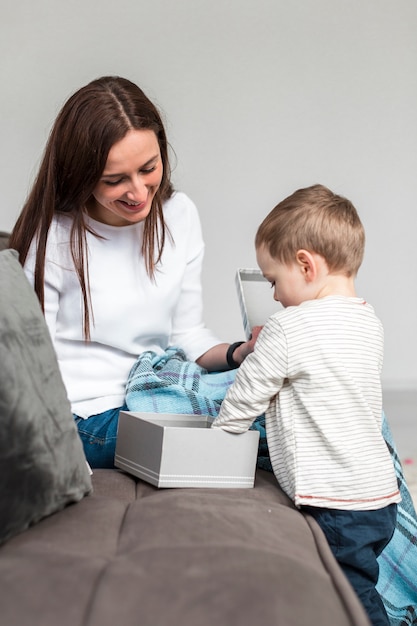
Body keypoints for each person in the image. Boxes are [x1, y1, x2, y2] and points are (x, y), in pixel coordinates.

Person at [9, 75, 254, 469]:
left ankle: (378, 524)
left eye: (148, 168)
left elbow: (186, 335)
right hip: (88, 416)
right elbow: (32, 365)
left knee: (304, 391)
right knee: (262, 425)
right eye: (114, 180)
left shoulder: (180, 215)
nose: (138, 192)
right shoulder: (54, 235)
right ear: (81, 174)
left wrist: (241, 353)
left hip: (158, 392)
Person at [212, 184, 401, 626]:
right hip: (380, 496)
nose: (274, 295)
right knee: (361, 581)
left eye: (274, 281)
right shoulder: (368, 321)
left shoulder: (289, 326)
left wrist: (219, 439)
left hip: (337, 502)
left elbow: (247, 393)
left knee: (349, 599)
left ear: (305, 265)